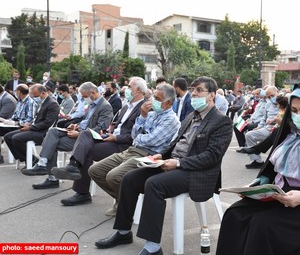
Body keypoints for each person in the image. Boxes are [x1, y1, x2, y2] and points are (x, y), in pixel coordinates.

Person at [94, 76, 233, 255]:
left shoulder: (221, 121)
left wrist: (179, 163)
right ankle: (123, 231)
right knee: (130, 178)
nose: (194, 94)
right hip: (172, 162)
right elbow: (176, 143)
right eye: (193, 90)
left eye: (199, 90)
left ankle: (152, 247)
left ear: (212, 95)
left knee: (154, 184)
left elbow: (212, 156)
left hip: (195, 171)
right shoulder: (192, 115)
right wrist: (162, 155)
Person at [216, 83, 300, 255]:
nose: (298, 116)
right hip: (281, 194)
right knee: (235, 213)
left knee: (263, 225)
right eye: (294, 110)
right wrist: (259, 183)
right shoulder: (291, 131)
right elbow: (273, 169)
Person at [83, 83, 180, 215]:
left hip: (148, 155)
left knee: (113, 176)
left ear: (168, 103)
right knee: (95, 170)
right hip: (132, 150)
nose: (153, 102)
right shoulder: (151, 114)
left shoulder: (171, 120)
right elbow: (134, 134)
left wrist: (138, 137)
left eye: (157, 99)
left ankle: (126, 205)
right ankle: (123, 200)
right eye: (153, 97)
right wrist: (143, 115)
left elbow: (152, 140)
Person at [51, 77, 147, 205]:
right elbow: (115, 125)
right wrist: (108, 132)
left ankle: (82, 193)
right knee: (86, 133)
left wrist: (116, 137)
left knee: (87, 151)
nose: (126, 90)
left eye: (129, 87)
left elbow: (137, 135)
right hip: (109, 137)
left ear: (139, 90)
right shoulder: (126, 107)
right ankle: (73, 165)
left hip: (122, 145)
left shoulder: (145, 109)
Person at [21, 82, 113, 189]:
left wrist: (79, 133)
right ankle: (42, 163)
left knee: (51, 143)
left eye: (85, 96)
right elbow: (85, 121)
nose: (84, 99)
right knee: (53, 131)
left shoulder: (105, 106)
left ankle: (51, 177)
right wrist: (75, 126)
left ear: (92, 92)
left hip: (87, 139)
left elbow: (101, 128)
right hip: (79, 132)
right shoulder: (92, 104)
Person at [4, 84, 60, 165]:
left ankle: (31, 160)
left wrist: (30, 128)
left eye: (35, 95)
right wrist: (28, 124)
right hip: (34, 128)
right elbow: (36, 118)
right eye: (33, 95)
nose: (33, 97)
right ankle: (26, 158)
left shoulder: (52, 104)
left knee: (16, 138)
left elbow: (47, 123)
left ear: (43, 93)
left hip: (43, 132)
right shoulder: (43, 102)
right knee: (7, 137)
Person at [240, 86, 280, 169]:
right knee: (249, 135)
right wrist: (259, 127)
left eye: (272, 95)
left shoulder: (286, 101)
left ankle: (257, 150)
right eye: (269, 97)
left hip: (280, 127)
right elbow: (264, 118)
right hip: (268, 127)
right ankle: (257, 161)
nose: (271, 98)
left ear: (278, 92)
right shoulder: (268, 103)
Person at [0, 84, 37, 164]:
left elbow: (30, 119)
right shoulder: (20, 101)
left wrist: (16, 123)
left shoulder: (30, 102)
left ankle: (29, 158)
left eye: (16, 90)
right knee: (7, 136)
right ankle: (22, 157)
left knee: (10, 136)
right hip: (15, 125)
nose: (15, 92)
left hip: (23, 126)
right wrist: (7, 121)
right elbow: (15, 116)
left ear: (19, 92)